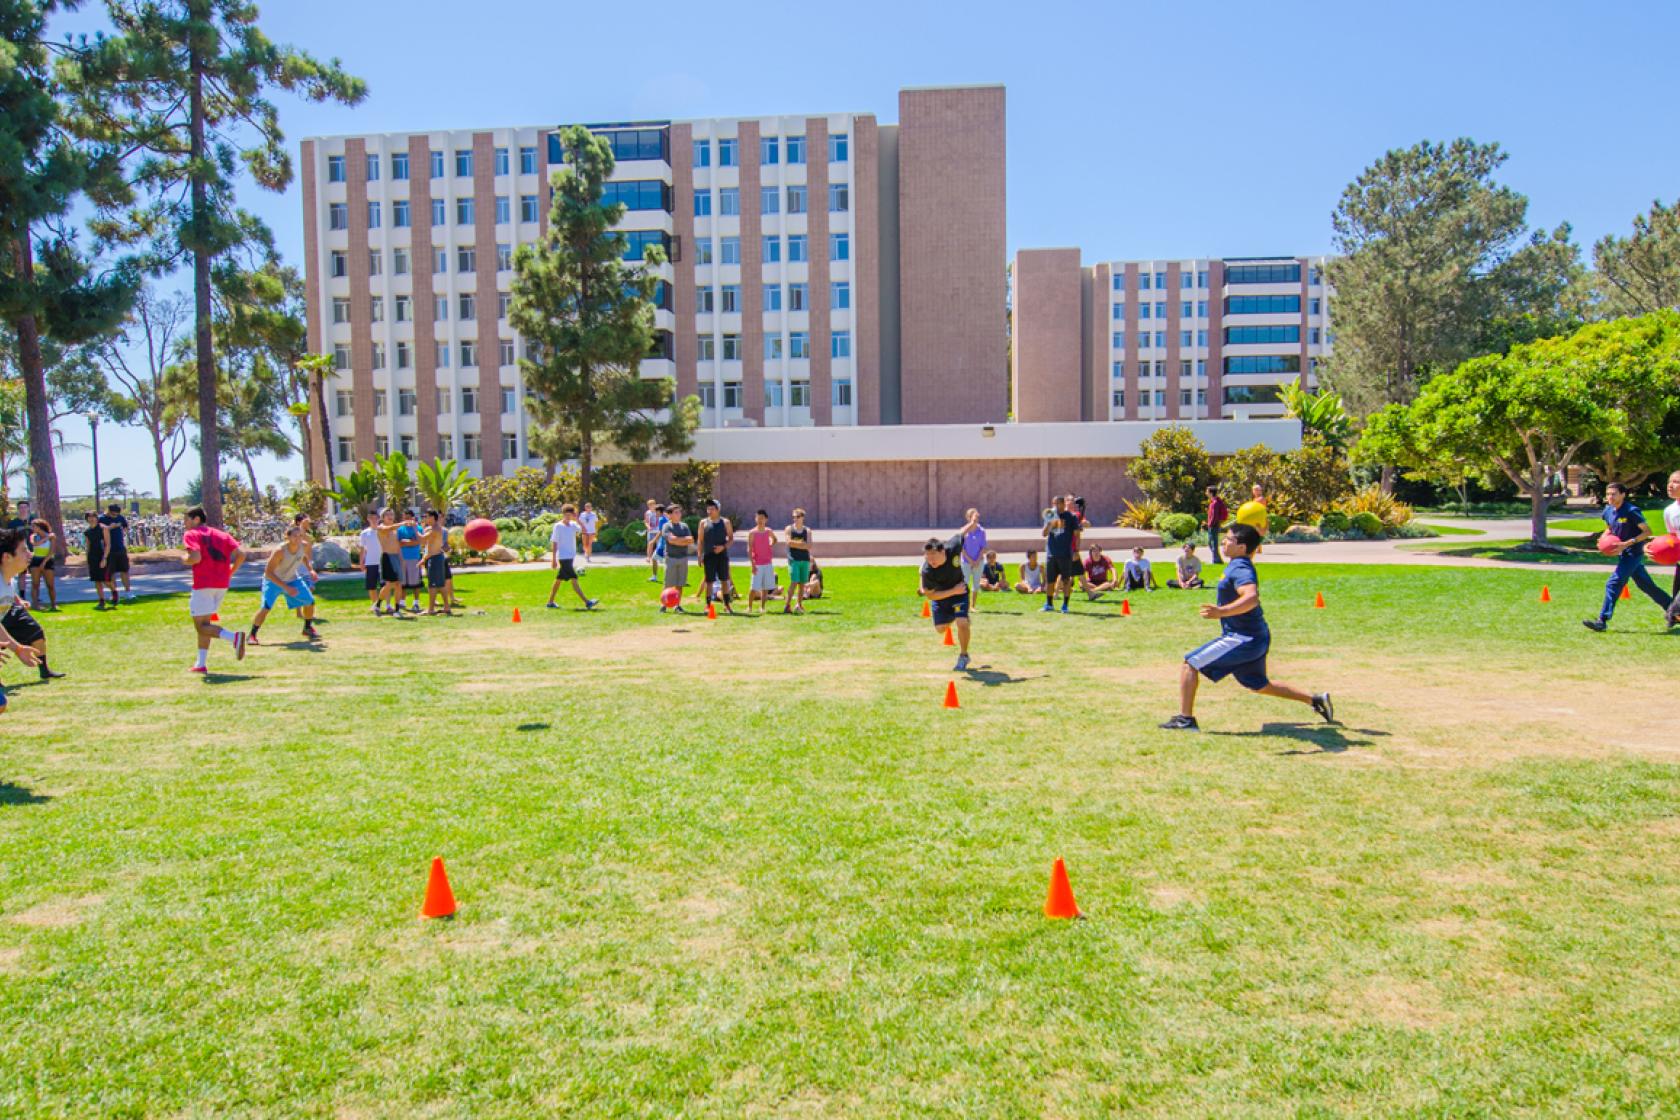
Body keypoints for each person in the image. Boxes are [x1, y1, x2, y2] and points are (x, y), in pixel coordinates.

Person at [1160, 522, 1333, 731]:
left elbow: (1251, 598)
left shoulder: (1241, 567)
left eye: (1229, 539)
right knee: (1258, 684)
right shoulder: (1237, 565)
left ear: (1242, 547)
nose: (1224, 541)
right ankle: (1315, 700)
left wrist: (1221, 612)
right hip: (1256, 636)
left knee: (1190, 663)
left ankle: (1185, 720)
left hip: (1243, 638)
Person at [1583, 480, 1672, 632]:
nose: (1610, 497)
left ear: (1623, 495)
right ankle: (1675, 612)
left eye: (1614, 494)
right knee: (1647, 586)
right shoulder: (1608, 511)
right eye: (1608, 494)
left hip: (1634, 553)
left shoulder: (1631, 511)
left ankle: (1602, 620)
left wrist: (1627, 543)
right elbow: (1610, 529)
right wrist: (1603, 539)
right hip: (1623, 554)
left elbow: (1647, 532)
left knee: (1613, 583)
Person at [181, 506, 248, 672]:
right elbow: (241, 554)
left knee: (201, 626)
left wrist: (184, 559)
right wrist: (230, 572)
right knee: (206, 624)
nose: (185, 524)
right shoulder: (221, 534)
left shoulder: (192, 534)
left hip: (204, 583)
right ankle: (200, 663)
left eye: (187, 520)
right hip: (221, 584)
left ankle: (234, 638)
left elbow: (195, 557)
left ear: (196, 519)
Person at [249, 524, 319, 643]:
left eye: (300, 536)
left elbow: (303, 557)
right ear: (287, 537)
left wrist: (310, 569)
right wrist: (286, 587)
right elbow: (268, 573)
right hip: (273, 581)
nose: (298, 539)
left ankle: (307, 628)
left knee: (310, 601)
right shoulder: (280, 551)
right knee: (266, 607)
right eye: (295, 536)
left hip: (292, 579)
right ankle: (252, 635)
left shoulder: (303, 545)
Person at [0, 528, 46, 710]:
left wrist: (17, 648)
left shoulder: (8, 583)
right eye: (24, 550)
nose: (30, 554)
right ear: (6, 557)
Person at [919, 532, 972, 672]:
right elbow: (931, 596)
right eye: (928, 558)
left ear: (942, 551)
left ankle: (964, 655)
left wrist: (972, 522)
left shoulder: (953, 546)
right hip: (941, 597)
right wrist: (952, 591)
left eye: (933, 557)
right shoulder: (927, 570)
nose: (931, 561)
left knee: (962, 623)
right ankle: (960, 615)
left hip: (960, 593)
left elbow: (962, 532)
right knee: (940, 629)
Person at [546, 503, 599, 611]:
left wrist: (578, 520)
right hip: (563, 557)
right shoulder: (558, 526)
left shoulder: (573, 525)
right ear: (564, 514)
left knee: (558, 580)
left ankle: (550, 602)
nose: (569, 516)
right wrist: (554, 559)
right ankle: (587, 602)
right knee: (574, 579)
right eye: (568, 514)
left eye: (571, 514)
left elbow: (584, 531)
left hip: (570, 556)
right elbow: (555, 542)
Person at [1040, 495, 1081, 614]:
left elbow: (1077, 535)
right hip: (1051, 554)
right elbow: (1043, 534)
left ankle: (1065, 605)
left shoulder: (1071, 517)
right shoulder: (1050, 515)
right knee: (1050, 581)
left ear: (1063, 504)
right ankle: (1049, 604)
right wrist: (1050, 524)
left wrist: (1076, 551)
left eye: (1058, 503)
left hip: (1065, 554)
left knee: (1066, 580)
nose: (1055, 506)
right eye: (1054, 504)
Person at [698, 499, 735, 613]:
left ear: (718, 510)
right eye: (708, 508)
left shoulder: (725, 522)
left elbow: (731, 539)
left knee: (725, 580)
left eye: (712, 509)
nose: (709, 511)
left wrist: (722, 547)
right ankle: (708, 605)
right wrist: (699, 555)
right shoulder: (703, 523)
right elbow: (700, 540)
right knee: (709, 581)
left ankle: (727, 605)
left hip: (722, 555)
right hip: (709, 555)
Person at [421, 509, 457, 615]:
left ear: (432, 517)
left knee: (432, 585)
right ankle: (446, 607)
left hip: (435, 558)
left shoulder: (435, 529)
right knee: (440, 585)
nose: (425, 519)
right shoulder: (434, 528)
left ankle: (431, 609)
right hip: (435, 557)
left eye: (427, 516)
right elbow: (427, 545)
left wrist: (414, 528)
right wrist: (424, 559)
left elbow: (422, 540)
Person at [660, 504, 693, 612]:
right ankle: (664, 604)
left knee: (680, 583)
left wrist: (677, 540)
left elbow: (690, 540)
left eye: (679, 512)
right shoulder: (667, 526)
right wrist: (683, 540)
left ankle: (677, 605)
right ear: (670, 515)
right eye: (676, 512)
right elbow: (670, 540)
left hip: (683, 558)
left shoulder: (684, 526)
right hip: (671, 558)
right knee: (668, 583)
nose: (679, 514)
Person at [745, 510, 778, 615]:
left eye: (762, 518)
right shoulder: (752, 533)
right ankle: (749, 607)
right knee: (754, 587)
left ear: (766, 519)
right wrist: (753, 565)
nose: (760, 520)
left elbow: (775, 539)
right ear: (755, 519)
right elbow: (749, 550)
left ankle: (762, 607)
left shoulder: (769, 531)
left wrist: (770, 544)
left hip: (768, 563)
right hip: (757, 564)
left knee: (765, 588)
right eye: (758, 518)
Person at [373, 508, 405, 614]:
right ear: (383, 517)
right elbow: (389, 528)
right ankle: (378, 603)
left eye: (392, 514)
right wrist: (403, 523)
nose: (390, 516)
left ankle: (397, 609)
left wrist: (402, 560)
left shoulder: (395, 531)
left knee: (398, 584)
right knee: (390, 584)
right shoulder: (381, 528)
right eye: (388, 514)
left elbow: (397, 546)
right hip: (387, 558)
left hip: (396, 557)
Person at [100, 503, 134, 602]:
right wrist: (111, 527)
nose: (115, 516)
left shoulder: (120, 517)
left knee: (124, 570)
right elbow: (100, 531)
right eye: (113, 514)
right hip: (108, 550)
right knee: (111, 573)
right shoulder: (101, 519)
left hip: (120, 548)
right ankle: (115, 594)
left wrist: (123, 529)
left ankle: (128, 592)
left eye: (117, 514)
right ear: (108, 511)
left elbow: (125, 526)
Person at [784, 508, 814, 615]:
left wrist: (796, 544)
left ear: (802, 518)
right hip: (793, 560)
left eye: (797, 517)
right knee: (794, 582)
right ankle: (787, 605)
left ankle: (799, 605)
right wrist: (802, 544)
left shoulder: (807, 531)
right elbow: (788, 543)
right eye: (793, 517)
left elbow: (809, 545)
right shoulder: (789, 529)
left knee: (802, 584)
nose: (795, 519)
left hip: (805, 560)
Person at [83, 510, 115, 609]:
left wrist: (104, 558)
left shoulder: (103, 528)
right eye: (89, 517)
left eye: (93, 517)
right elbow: (88, 546)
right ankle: (101, 600)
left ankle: (114, 592)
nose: (91, 519)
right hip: (92, 557)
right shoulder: (87, 531)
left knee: (106, 580)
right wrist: (87, 558)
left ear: (97, 518)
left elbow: (108, 544)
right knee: (97, 580)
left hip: (103, 555)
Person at [395, 510, 425, 614]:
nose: (406, 519)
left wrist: (406, 542)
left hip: (414, 558)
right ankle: (402, 601)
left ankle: (416, 602)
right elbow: (398, 543)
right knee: (403, 582)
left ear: (413, 517)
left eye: (408, 517)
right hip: (402, 558)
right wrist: (410, 542)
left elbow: (419, 541)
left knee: (415, 582)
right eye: (405, 517)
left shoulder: (418, 528)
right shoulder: (400, 529)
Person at [27, 519, 57, 611]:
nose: (32, 528)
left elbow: (51, 551)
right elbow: (35, 544)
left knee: (50, 585)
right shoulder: (33, 536)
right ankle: (35, 604)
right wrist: (47, 538)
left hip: (47, 560)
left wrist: (44, 562)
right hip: (36, 560)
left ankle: (53, 605)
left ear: (40, 527)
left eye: (34, 526)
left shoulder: (52, 536)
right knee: (35, 584)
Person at [359, 514, 386, 615]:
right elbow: (362, 549)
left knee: (385, 585)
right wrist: (361, 562)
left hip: (383, 561)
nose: (374, 520)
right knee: (371, 585)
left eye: (376, 518)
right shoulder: (364, 533)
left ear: (379, 519)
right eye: (372, 518)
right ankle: (375, 604)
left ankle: (386, 604)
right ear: (368, 519)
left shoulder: (383, 530)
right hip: (370, 562)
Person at [959, 508, 986, 608]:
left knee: (976, 584)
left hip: (978, 562)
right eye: (974, 517)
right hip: (966, 561)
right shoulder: (964, 531)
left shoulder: (981, 531)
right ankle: (964, 605)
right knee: (964, 583)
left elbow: (983, 547)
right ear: (968, 518)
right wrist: (970, 560)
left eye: (977, 517)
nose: (976, 519)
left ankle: (972, 606)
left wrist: (977, 560)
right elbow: (961, 547)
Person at [1664, 469, 1680, 628]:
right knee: (1676, 594)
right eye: (1670, 481)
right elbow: (1672, 537)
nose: (1671, 485)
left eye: (1676, 482)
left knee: (1677, 605)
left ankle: (1673, 613)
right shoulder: (1669, 511)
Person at [1235, 484, 1269, 555]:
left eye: (1257, 490)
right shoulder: (1255, 499)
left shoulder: (1261, 499)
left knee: (1258, 533)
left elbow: (1260, 509)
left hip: (1258, 518)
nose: (1256, 491)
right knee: (1255, 533)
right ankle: (1257, 547)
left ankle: (1258, 548)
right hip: (1253, 519)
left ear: (1260, 491)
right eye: (1254, 490)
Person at [1206, 486, 1228, 557]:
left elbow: (1214, 516)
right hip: (1213, 524)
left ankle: (1216, 559)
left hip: (1214, 525)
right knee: (1211, 543)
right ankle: (1216, 558)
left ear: (1211, 493)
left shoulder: (1215, 503)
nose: (1206, 493)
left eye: (1207, 491)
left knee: (1213, 543)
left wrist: (1210, 524)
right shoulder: (1214, 502)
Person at [644, 499, 662, 581]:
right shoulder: (647, 513)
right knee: (650, 544)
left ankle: (659, 557)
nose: (652, 506)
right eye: (650, 505)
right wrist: (648, 527)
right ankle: (648, 557)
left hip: (658, 531)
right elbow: (646, 521)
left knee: (659, 544)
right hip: (651, 531)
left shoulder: (658, 512)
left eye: (653, 504)